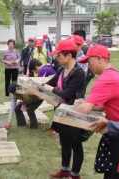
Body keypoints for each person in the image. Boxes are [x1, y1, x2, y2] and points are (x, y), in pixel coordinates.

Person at [75, 44, 119, 179]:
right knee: (114, 171)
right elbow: (104, 105)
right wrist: (87, 103)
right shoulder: (113, 73)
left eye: (89, 61)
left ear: (99, 59)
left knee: (116, 173)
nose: (88, 65)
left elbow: (84, 110)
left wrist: (70, 107)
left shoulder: (106, 79)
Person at [45, 39, 86, 179]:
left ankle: (75, 174)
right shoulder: (62, 70)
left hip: (74, 114)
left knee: (76, 144)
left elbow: (67, 94)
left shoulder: (79, 73)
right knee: (64, 142)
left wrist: (50, 88)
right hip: (61, 112)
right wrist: (36, 83)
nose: (57, 58)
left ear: (69, 55)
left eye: (59, 56)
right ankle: (64, 170)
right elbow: (49, 82)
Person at [14, 59, 43, 129]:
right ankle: (22, 124)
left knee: (30, 109)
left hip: (39, 97)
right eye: (32, 70)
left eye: (35, 69)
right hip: (30, 96)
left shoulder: (42, 74)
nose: (34, 71)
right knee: (17, 108)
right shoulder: (30, 75)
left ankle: (34, 126)